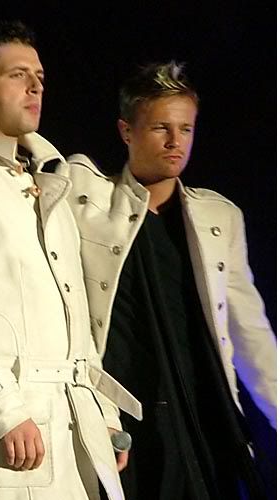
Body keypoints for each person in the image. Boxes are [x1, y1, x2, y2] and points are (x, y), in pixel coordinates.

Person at [0, 20, 139, 500]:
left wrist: (102, 412)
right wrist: (3, 410)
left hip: (76, 430)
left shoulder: (47, 181)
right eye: (17, 75)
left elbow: (75, 315)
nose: (35, 86)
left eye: (39, 77)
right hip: (12, 442)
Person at [61, 61, 277, 499]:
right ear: (126, 131)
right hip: (128, 411)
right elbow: (27, 171)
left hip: (204, 410)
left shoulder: (217, 216)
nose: (176, 141)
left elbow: (250, 331)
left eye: (186, 128)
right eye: (161, 127)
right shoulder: (87, 199)